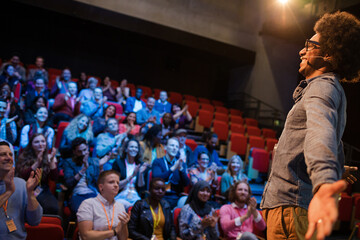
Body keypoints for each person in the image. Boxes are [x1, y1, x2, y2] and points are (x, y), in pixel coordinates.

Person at [260, 11, 360, 240]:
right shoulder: (329, 89)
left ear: (328, 55)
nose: (301, 50)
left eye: (309, 45)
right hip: (291, 209)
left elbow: (320, 133)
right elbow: (327, 137)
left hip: (290, 212)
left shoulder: (322, 88)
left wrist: (324, 181)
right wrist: (335, 170)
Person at [0, 141, 43, 240]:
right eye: (3, 154)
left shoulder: (21, 184)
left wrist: (30, 193)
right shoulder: (13, 187)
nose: (8, 158)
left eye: (10, 154)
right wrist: (8, 192)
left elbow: (35, 221)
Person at [77, 170, 129, 240]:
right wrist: (114, 232)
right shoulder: (88, 204)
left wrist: (124, 225)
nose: (116, 185)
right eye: (111, 182)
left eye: (117, 183)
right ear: (101, 187)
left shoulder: (120, 206)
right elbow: (86, 236)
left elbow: (123, 239)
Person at [63, 137, 110, 213]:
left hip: (91, 192)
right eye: (79, 151)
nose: (83, 154)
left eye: (85, 150)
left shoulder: (95, 161)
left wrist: (101, 167)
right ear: (74, 152)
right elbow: (68, 183)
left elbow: (100, 184)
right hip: (77, 194)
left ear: (88, 148)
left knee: (100, 211)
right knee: (83, 211)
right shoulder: (69, 163)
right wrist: (83, 169)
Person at [16, 134, 59, 214]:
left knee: (53, 207)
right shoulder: (23, 157)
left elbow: (54, 177)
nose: (40, 144)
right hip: (27, 188)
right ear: (31, 145)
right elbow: (23, 176)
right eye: (36, 142)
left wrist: (52, 161)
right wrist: (38, 162)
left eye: (43, 141)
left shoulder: (50, 157)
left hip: (43, 189)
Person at [152, 137, 190, 209]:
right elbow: (156, 178)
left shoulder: (181, 164)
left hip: (176, 196)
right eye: (172, 145)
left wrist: (181, 170)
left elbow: (186, 183)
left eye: (176, 146)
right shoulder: (158, 162)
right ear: (166, 147)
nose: (174, 148)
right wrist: (173, 168)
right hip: (161, 195)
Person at [112, 138, 148, 208]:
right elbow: (116, 186)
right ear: (126, 149)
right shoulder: (118, 163)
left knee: (139, 206)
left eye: (136, 147)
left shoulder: (140, 164)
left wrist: (140, 174)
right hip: (121, 195)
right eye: (131, 146)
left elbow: (141, 187)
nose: (134, 149)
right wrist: (132, 176)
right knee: (121, 205)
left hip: (135, 196)